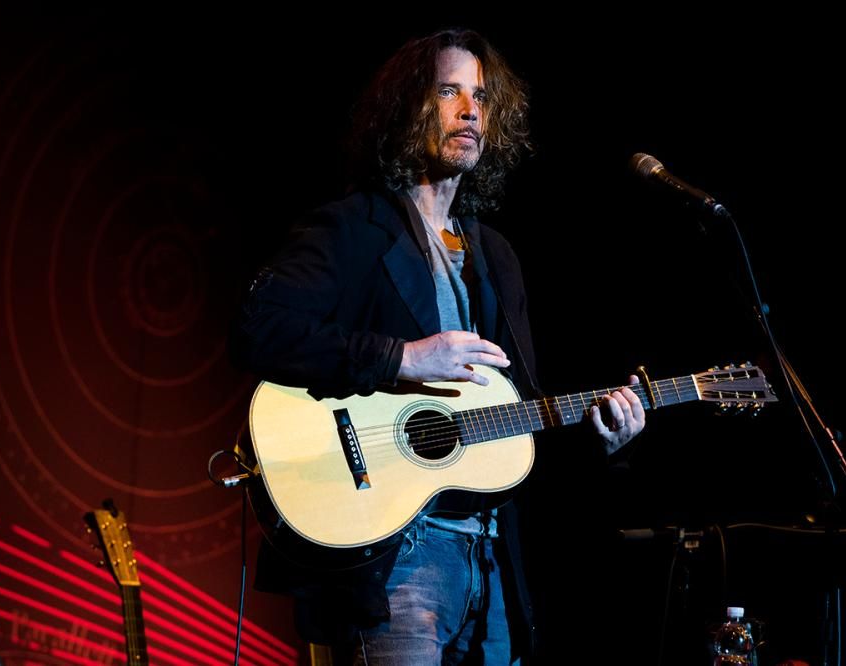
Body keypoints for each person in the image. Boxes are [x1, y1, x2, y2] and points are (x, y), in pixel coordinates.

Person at [229, 28, 645, 664]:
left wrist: (602, 442)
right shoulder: (354, 228)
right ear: (406, 108)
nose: (470, 110)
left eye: (481, 96)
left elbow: (517, 419)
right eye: (449, 91)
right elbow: (259, 329)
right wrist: (406, 358)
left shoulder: (496, 257)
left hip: (491, 566)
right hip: (395, 562)